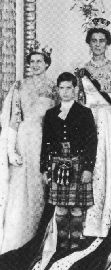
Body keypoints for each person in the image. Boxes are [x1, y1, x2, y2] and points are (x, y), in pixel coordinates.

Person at [0, 41, 57, 253]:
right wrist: (11, 150)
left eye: (39, 61)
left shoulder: (54, 87)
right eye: (32, 61)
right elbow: (14, 119)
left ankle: (37, 240)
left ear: (46, 64)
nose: (35, 65)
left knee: (39, 188)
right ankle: (17, 241)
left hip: (43, 140)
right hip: (24, 139)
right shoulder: (19, 86)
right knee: (19, 188)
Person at [75, 17, 111, 238]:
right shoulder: (81, 71)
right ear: (89, 43)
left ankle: (108, 221)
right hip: (89, 122)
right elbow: (79, 102)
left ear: (108, 43)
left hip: (110, 123)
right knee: (92, 168)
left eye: (102, 40)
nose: (98, 44)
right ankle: (88, 224)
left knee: (109, 168)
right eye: (94, 40)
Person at [41, 72, 98, 250]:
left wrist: (88, 168)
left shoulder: (84, 112)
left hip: (78, 164)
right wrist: (44, 168)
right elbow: (46, 143)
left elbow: (91, 142)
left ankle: (75, 244)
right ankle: (62, 244)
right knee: (61, 208)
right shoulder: (51, 114)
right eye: (61, 88)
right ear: (58, 90)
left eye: (68, 88)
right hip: (58, 164)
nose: (65, 92)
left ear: (75, 89)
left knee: (76, 208)